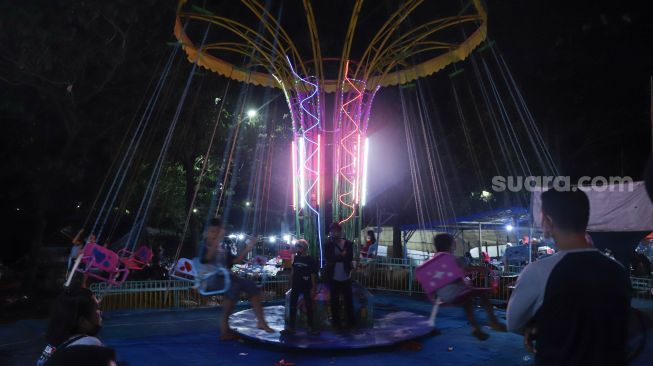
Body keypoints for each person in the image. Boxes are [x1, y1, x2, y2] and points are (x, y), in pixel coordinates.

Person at [507, 189, 630, 365]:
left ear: (548, 221)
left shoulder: (539, 271)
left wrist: (537, 326)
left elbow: (514, 323)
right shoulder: (617, 270)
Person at [199, 217, 274, 341]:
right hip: (209, 279)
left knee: (251, 285)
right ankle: (224, 327)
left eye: (217, 232)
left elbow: (235, 261)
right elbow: (207, 258)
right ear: (207, 232)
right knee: (234, 286)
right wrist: (217, 241)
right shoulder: (204, 246)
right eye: (212, 232)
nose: (215, 235)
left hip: (225, 278)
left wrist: (248, 247)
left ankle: (261, 321)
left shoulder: (222, 248)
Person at [433, 233, 506, 340]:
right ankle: (493, 321)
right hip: (456, 291)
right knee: (483, 293)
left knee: (467, 301)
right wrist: (483, 269)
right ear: (450, 245)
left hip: (443, 294)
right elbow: (467, 268)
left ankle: (475, 328)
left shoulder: (434, 259)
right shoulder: (450, 258)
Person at [37, 287, 105, 366]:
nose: (101, 313)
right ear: (83, 322)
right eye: (97, 309)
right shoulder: (90, 343)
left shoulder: (51, 347)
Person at [282, 239, 319, 335]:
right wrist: (289, 283)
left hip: (307, 285)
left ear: (303, 248)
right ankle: (291, 327)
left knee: (309, 306)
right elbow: (293, 271)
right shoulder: (297, 258)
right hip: (296, 285)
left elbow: (313, 275)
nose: (296, 248)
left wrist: (313, 288)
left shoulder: (311, 260)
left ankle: (310, 327)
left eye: (298, 246)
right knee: (293, 305)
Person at [324, 222, 355, 329]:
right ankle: (336, 323)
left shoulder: (348, 244)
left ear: (340, 231)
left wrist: (338, 258)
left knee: (348, 301)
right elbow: (329, 259)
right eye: (332, 231)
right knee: (334, 302)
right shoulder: (328, 244)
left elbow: (349, 258)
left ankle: (351, 322)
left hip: (346, 276)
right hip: (333, 277)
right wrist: (341, 256)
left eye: (336, 231)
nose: (334, 233)